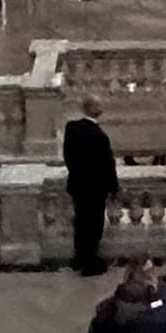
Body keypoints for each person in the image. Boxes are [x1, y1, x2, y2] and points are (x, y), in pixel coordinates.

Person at [61, 95, 118, 276]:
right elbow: (108, 165)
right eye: (99, 105)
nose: (101, 107)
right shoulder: (99, 136)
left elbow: (68, 156)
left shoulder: (72, 129)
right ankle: (89, 261)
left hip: (78, 185)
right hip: (95, 188)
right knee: (93, 225)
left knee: (80, 222)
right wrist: (114, 188)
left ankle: (79, 258)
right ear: (93, 109)